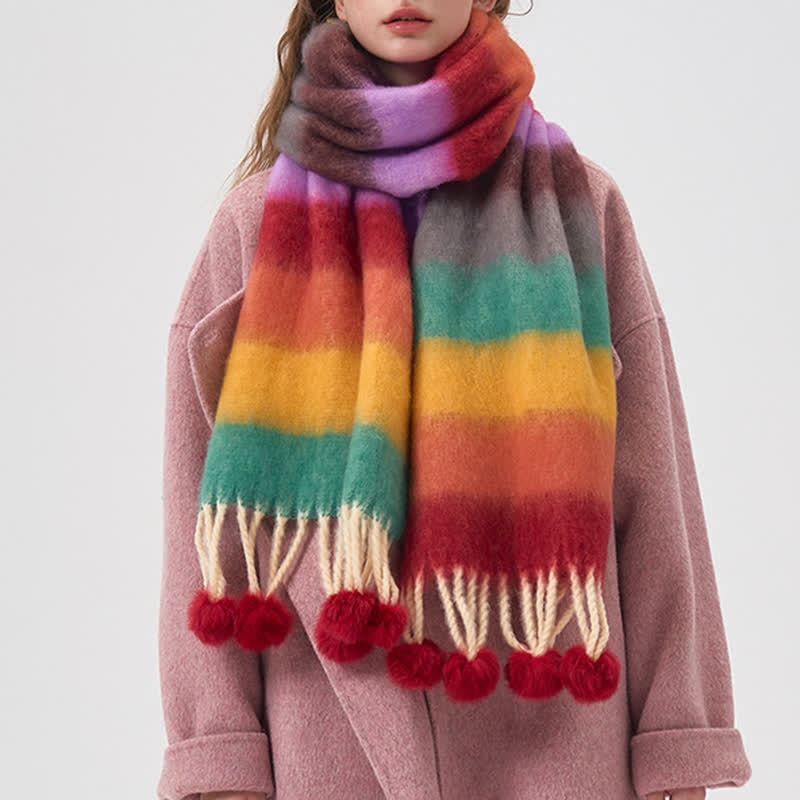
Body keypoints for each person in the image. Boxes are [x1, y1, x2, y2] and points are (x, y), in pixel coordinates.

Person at [157, 1, 753, 799]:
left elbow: (656, 495)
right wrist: (219, 755)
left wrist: (679, 741)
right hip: (328, 744)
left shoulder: (581, 207)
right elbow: (199, 520)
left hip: (554, 730)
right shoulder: (256, 228)